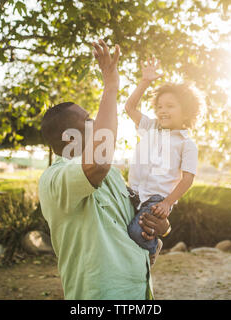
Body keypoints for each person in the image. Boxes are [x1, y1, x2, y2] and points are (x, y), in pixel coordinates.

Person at [38, 40, 170, 299]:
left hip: (139, 293)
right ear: (69, 137)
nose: (96, 122)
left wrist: (161, 226)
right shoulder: (53, 179)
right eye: (88, 120)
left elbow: (136, 221)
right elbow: (98, 162)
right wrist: (111, 86)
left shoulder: (111, 174)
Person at [125, 57, 201, 265]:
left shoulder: (187, 144)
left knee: (135, 231)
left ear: (186, 111)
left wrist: (168, 203)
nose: (162, 110)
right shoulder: (150, 127)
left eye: (170, 106)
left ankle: (152, 248)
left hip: (157, 200)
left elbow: (187, 179)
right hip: (133, 191)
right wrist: (145, 82)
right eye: (159, 106)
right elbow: (130, 107)